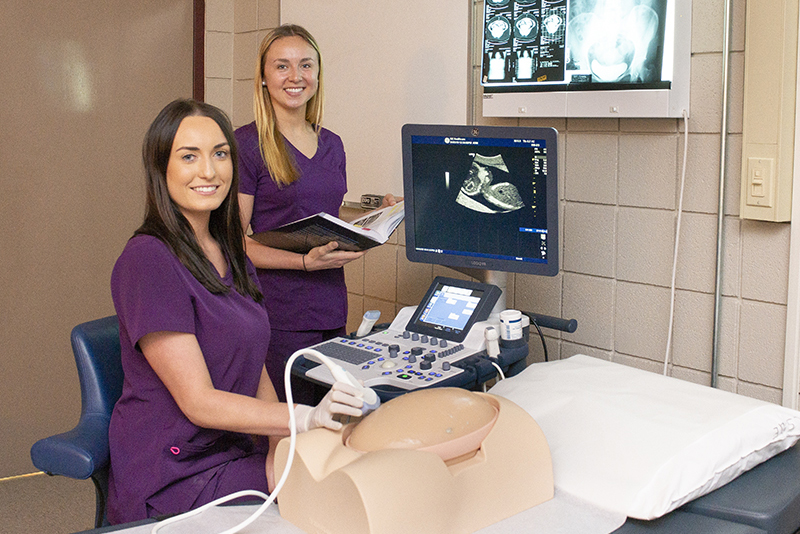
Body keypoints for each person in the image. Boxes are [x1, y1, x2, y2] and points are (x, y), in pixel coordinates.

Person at [106, 98, 369, 524]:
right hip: (176, 469)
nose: (209, 171)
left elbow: (256, 366)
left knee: (347, 460)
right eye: (188, 156)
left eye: (220, 154)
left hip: (232, 449)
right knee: (333, 494)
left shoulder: (229, 250)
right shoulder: (148, 260)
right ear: (161, 168)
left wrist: (278, 446)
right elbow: (199, 403)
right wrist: (301, 417)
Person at [235, 24, 397, 403]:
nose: (296, 77)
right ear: (262, 77)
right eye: (282, 66)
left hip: (330, 306)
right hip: (278, 313)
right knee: (291, 424)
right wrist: (305, 263)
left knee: (330, 419)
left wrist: (377, 220)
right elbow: (235, 241)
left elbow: (325, 214)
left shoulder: (332, 144)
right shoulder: (246, 144)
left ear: (318, 76)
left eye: (305, 65)